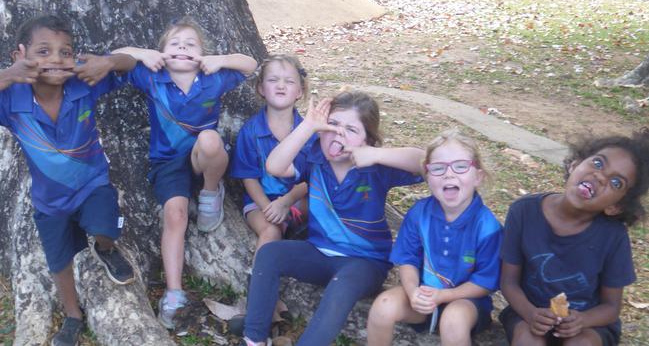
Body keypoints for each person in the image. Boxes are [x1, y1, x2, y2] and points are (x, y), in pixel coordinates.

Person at [239, 90, 425, 346]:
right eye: (333, 125)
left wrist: (377, 154)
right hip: (319, 251)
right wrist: (307, 127)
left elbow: (426, 162)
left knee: (341, 286)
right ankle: (254, 339)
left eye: (351, 129)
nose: (339, 134)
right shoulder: (314, 157)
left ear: (366, 139)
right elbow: (274, 166)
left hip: (365, 262)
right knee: (270, 254)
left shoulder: (376, 168)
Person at [0, 14, 137, 346]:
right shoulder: (11, 101)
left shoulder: (82, 85)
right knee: (58, 261)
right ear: (20, 54)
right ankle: (73, 316)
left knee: (109, 225)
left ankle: (105, 248)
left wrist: (107, 62)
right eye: (43, 51)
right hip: (50, 201)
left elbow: (130, 63)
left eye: (65, 52)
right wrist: (8, 75)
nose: (56, 60)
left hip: (94, 186)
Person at [113, 16, 257, 329]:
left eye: (191, 44)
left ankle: (210, 193)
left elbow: (250, 64)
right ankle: (174, 292)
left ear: (202, 54)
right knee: (175, 215)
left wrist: (217, 60)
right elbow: (113, 58)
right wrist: (141, 53)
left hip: (203, 160)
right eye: (175, 44)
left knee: (209, 139)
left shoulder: (213, 79)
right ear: (162, 53)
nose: (183, 48)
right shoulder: (152, 77)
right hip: (167, 163)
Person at [499, 128, 649, 346]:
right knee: (528, 340)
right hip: (528, 313)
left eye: (616, 183)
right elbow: (509, 282)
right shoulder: (524, 212)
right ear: (574, 164)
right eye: (597, 163)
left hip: (587, 324)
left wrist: (583, 319)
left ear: (616, 206)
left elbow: (611, 307)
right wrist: (531, 313)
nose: (600, 176)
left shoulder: (613, 237)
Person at [367, 129, 502, 346]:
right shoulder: (419, 214)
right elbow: (407, 259)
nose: (449, 174)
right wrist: (412, 293)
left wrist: (443, 297)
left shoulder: (487, 227)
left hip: (466, 302)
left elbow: (485, 283)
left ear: (478, 176)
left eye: (460, 166)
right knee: (382, 306)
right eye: (438, 168)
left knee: (453, 321)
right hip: (422, 295)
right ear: (427, 177)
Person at [230, 55, 311, 321]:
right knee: (270, 231)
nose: (280, 85)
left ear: (299, 92)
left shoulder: (309, 132)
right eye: (273, 80)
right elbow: (248, 178)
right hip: (261, 201)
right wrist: (268, 207)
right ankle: (262, 304)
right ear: (261, 88)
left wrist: (288, 200)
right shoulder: (250, 131)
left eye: (289, 81)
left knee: (319, 215)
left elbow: (315, 179)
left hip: (300, 199)